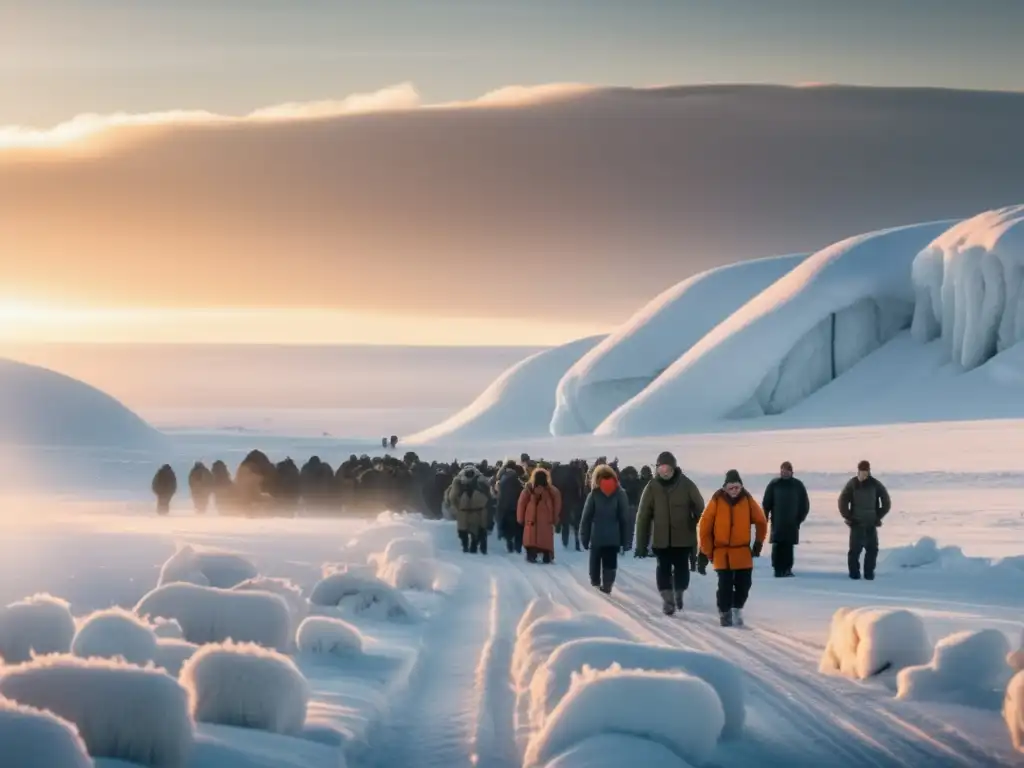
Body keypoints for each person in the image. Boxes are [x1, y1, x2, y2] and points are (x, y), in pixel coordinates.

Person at [634, 451, 705, 615]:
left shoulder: (687, 485)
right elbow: (643, 516)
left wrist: (696, 526)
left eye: (668, 469)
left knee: (682, 569)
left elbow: (701, 510)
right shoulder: (652, 487)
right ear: (657, 469)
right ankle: (668, 600)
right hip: (661, 540)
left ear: (674, 469)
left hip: (683, 538)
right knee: (663, 569)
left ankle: (679, 592)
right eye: (661, 470)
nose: (665, 473)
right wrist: (641, 545)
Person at [699, 469, 768, 627]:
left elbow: (761, 521)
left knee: (744, 584)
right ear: (725, 487)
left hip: (742, 551)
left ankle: (737, 609)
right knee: (725, 585)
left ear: (741, 487)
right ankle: (725, 612)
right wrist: (708, 550)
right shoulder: (716, 500)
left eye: (737, 487)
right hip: (721, 552)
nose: (734, 491)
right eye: (731, 487)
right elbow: (705, 526)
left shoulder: (747, 499)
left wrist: (758, 543)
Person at [579, 464, 632, 594]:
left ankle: (595, 584)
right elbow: (625, 519)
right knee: (610, 562)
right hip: (614, 538)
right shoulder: (621, 494)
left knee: (595, 562)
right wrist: (626, 541)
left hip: (596, 537)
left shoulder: (594, 495)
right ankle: (607, 585)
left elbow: (586, 519)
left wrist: (584, 538)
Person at [838, 460, 891, 581]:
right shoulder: (853, 484)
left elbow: (886, 502)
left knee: (872, 550)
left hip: (871, 523)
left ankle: (869, 573)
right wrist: (848, 517)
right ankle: (854, 574)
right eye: (861, 471)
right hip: (856, 523)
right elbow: (842, 501)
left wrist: (878, 516)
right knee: (854, 551)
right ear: (858, 471)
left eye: (865, 471)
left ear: (869, 471)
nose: (863, 474)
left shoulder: (875, 484)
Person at [762, 460, 810, 577]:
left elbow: (805, 504)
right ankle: (777, 569)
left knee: (788, 546)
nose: (785, 473)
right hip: (777, 521)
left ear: (791, 472)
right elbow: (766, 503)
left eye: (787, 471)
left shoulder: (798, 485)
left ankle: (787, 568)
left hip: (792, 522)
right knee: (777, 545)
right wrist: (765, 517)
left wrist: (799, 519)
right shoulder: (774, 484)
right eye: (782, 470)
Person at [517, 466, 562, 563]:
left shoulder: (528, 491)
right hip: (546, 522)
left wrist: (520, 519)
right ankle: (546, 555)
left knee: (531, 538)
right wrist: (555, 519)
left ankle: (531, 554)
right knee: (545, 539)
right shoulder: (551, 492)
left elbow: (521, 504)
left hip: (530, 521)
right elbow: (557, 505)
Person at [448, 464, 492, 554]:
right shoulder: (482, 480)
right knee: (476, 531)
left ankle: (465, 547)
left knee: (463, 531)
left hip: (463, 511)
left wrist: (458, 508)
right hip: (478, 511)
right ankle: (474, 547)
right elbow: (489, 496)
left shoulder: (458, 481)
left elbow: (452, 497)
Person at [496, 462, 525, 553]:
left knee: (507, 526)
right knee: (518, 527)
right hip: (516, 506)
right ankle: (517, 546)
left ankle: (509, 542)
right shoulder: (517, 479)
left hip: (504, 506)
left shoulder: (501, 478)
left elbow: (497, 493)